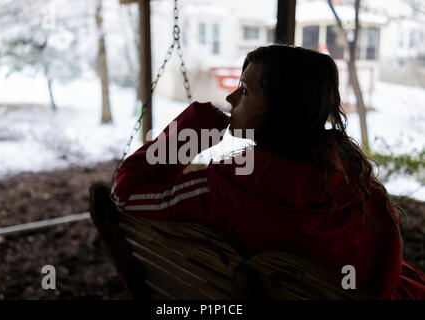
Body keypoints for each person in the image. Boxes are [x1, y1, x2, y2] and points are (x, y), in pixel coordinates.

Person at [111, 44, 424, 299]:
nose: (231, 99)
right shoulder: (361, 190)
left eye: (244, 91)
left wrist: (197, 125)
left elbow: (126, 194)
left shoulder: (228, 190)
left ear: (282, 108)